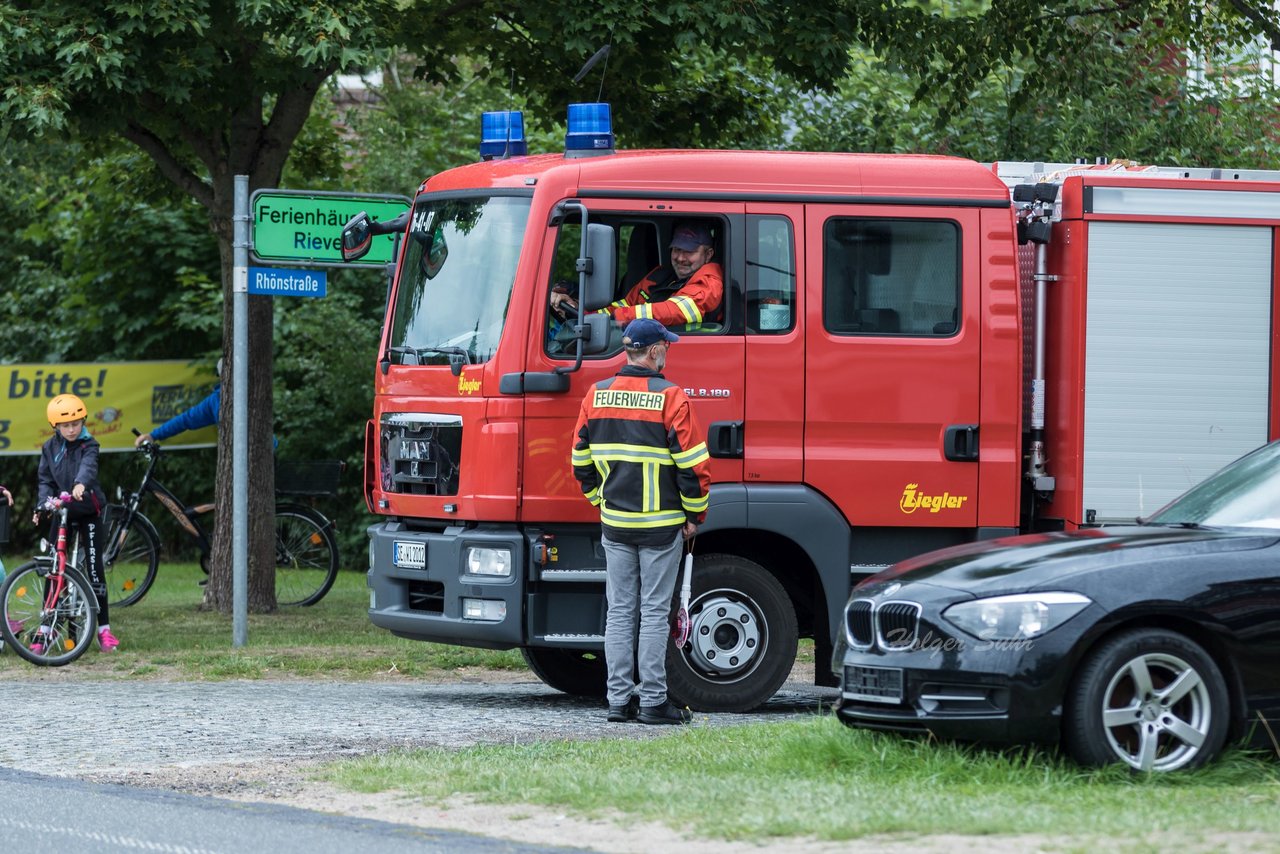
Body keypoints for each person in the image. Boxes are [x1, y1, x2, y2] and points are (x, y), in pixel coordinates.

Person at [571, 318, 712, 725]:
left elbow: (580, 460)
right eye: (665, 346)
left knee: (619, 612)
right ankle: (652, 703)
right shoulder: (672, 397)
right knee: (652, 613)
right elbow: (692, 465)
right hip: (661, 525)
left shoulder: (596, 395)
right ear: (653, 352)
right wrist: (694, 514)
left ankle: (617, 702)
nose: (667, 351)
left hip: (615, 524)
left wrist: (600, 499)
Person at [35, 394, 118, 651]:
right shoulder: (49, 448)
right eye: (65, 425)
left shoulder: (89, 445)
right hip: (63, 512)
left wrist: (80, 484)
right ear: (55, 427)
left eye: (76, 423)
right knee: (53, 567)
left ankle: (104, 629)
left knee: (95, 568)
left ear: (83, 421)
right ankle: (45, 629)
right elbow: (45, 480)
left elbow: (88, 469)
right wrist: (42, 504)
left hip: (88, 510)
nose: (72, 429)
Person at [551, 220, 724, 333]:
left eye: (689, 252)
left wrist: (621, 317)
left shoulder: (710, 281)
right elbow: (625, 304)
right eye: (677, 249)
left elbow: (674, 310)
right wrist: (583, 312)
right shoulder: (660, 275)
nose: (680, 258)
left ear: (708, 254)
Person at [135, 360, 221, 446]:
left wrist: (153, 436)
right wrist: (153, 435)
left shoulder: (215, 399)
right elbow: (185, 420)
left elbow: (185, 420)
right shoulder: (215, 399)